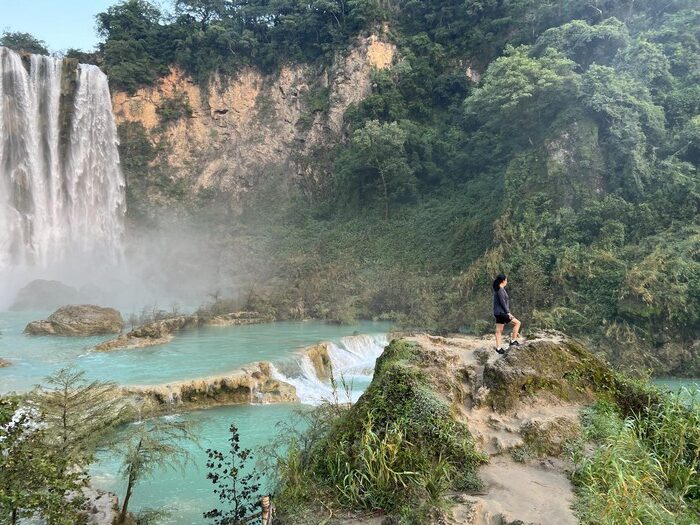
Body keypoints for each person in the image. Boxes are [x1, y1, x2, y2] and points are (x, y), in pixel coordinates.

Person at [492, 274, 522, 354]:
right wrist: (508, 312)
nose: (507, 281)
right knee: (517, 323)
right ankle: (513, 341)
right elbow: (503, 303)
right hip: (502, 312)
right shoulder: (500, 290)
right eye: (506, 280)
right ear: (503, 281)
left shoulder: (498, 289)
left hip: (497, 313)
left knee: (499, 330)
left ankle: (498, 349)